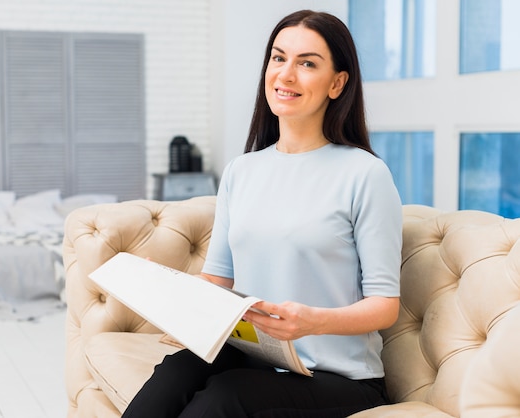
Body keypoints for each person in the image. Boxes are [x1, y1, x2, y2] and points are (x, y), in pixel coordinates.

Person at [123, 9, 403, 418]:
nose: (286, 75)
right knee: (177, 371)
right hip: (257, 356)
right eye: (278, 58)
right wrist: (166, 291)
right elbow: (217, 280)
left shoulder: (365, 174)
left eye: (307, 63)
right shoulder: (242, 170)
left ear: (337, 83)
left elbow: (385, 305)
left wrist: (312, 322)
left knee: (226, 396)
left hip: (340, 378)